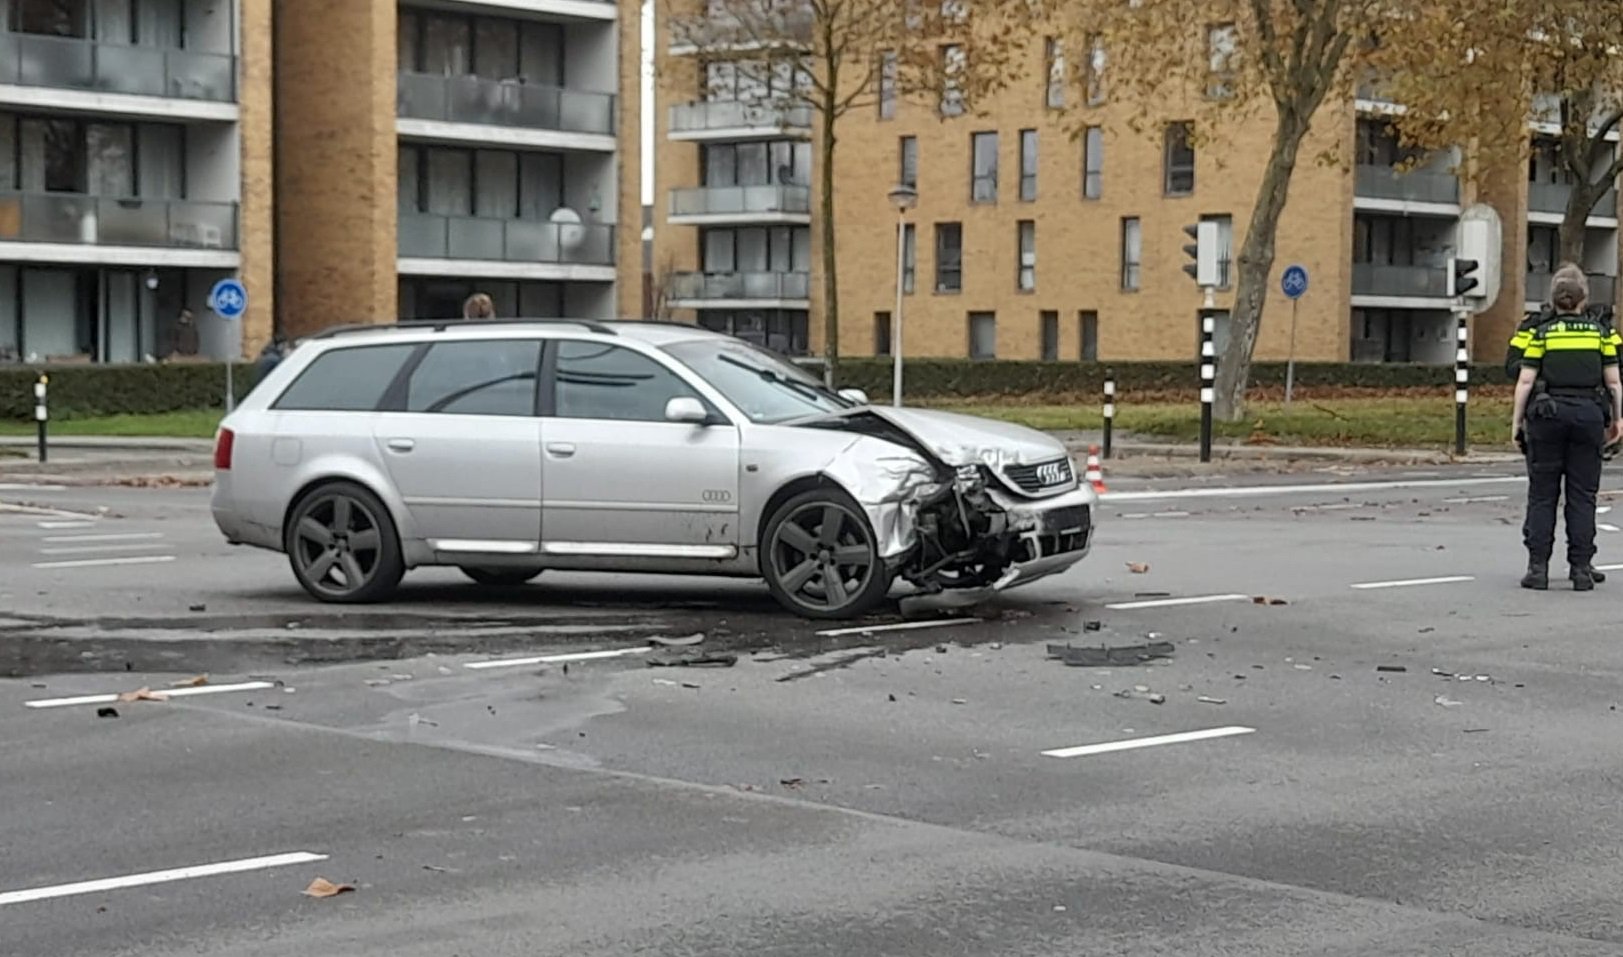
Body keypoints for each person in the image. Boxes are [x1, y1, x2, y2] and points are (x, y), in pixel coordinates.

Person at [1512, 264, 1623, 591]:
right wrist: (1617, 419)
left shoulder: (1541, 334)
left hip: (1547, 416)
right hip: (1588, 416)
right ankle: (1580, 569)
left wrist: (1517, 423)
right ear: (1583, 299)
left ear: (1554, 300)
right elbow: (1614, 383)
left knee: (1543, 494)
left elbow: (1525, 380)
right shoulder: (1600, 333)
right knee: (1582, 495)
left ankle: (1537, 568)